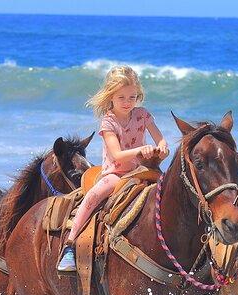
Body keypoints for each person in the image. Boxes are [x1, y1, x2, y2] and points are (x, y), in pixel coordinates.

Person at [58, 66, 169, 272]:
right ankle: (70, 244)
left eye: (132, 97)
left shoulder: (143, 115)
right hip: (116, 173)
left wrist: (162, 148)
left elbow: (160, 139)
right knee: (93, 196)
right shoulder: (108, 121)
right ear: (111, 97)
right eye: (122, 98)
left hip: (143, 170)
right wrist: (140, 150)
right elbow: (117, 155)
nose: (127, 102)